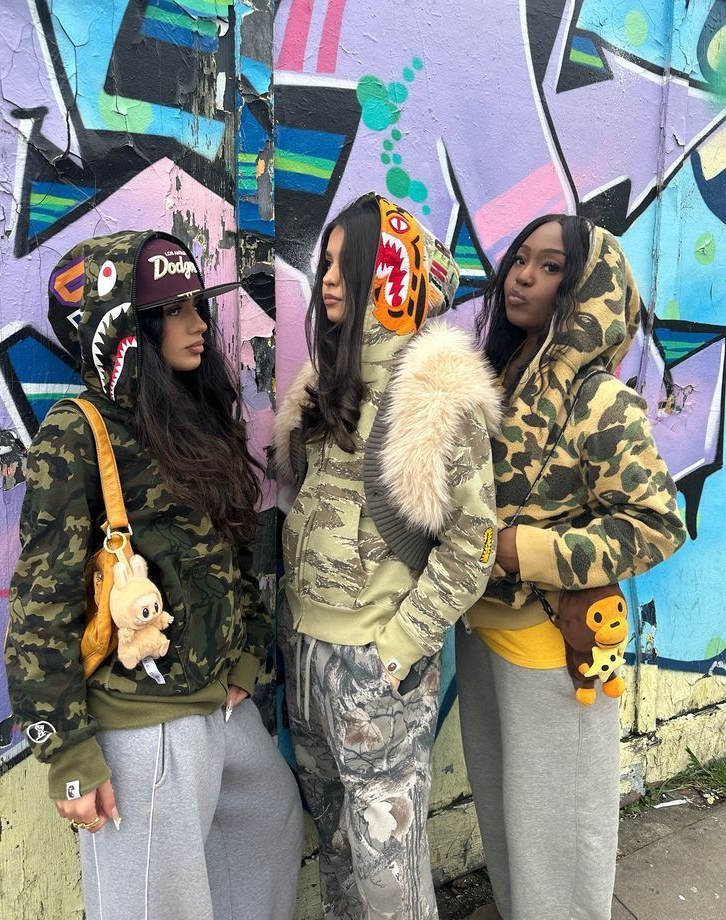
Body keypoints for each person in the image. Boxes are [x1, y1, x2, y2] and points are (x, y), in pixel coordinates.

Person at [5, 231, 303, 920]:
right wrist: (69, 755)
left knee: (269, 827)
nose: (198, 323)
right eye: (173, 310)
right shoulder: (77, 435)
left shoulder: (196, 416)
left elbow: (233, 546)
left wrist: (245, 656)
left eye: (196, 305)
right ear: (124, 329)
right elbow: (41, 605)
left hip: (218, 703)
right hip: (142, 721)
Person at [274, 192, 503, 919]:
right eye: (326, 262)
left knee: (389, 874)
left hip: (376, 665)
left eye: (347, 263)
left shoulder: (432, 395)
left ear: (390, 273)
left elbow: (474, 541)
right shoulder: (324, 386)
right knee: (338, 852)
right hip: (306, 657)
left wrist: (401, 644)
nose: (327, 278)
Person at [456, 215, 687, 920]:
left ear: (587, 289)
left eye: (551, 266)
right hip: (481, 633)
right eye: (520, 259)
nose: (523, 276)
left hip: (554, 650)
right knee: (507, 824)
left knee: (560, 842)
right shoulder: (496, 379)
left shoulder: (600, 400)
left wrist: (523, 551)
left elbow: (658, 524)